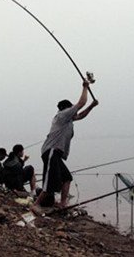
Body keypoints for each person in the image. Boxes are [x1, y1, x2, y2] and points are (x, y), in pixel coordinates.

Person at [33, 80, 98, 210]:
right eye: (71, 109)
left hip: (56, 154)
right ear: (66, 109)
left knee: (67, 178)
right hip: (51, 151)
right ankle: (36, 205)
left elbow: (80, 115)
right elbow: (80, 104)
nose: (74, 112)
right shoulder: (62, 115)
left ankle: (63, 204)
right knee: (50, 181)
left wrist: (92, 106)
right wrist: (85, 87)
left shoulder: (68, 120)